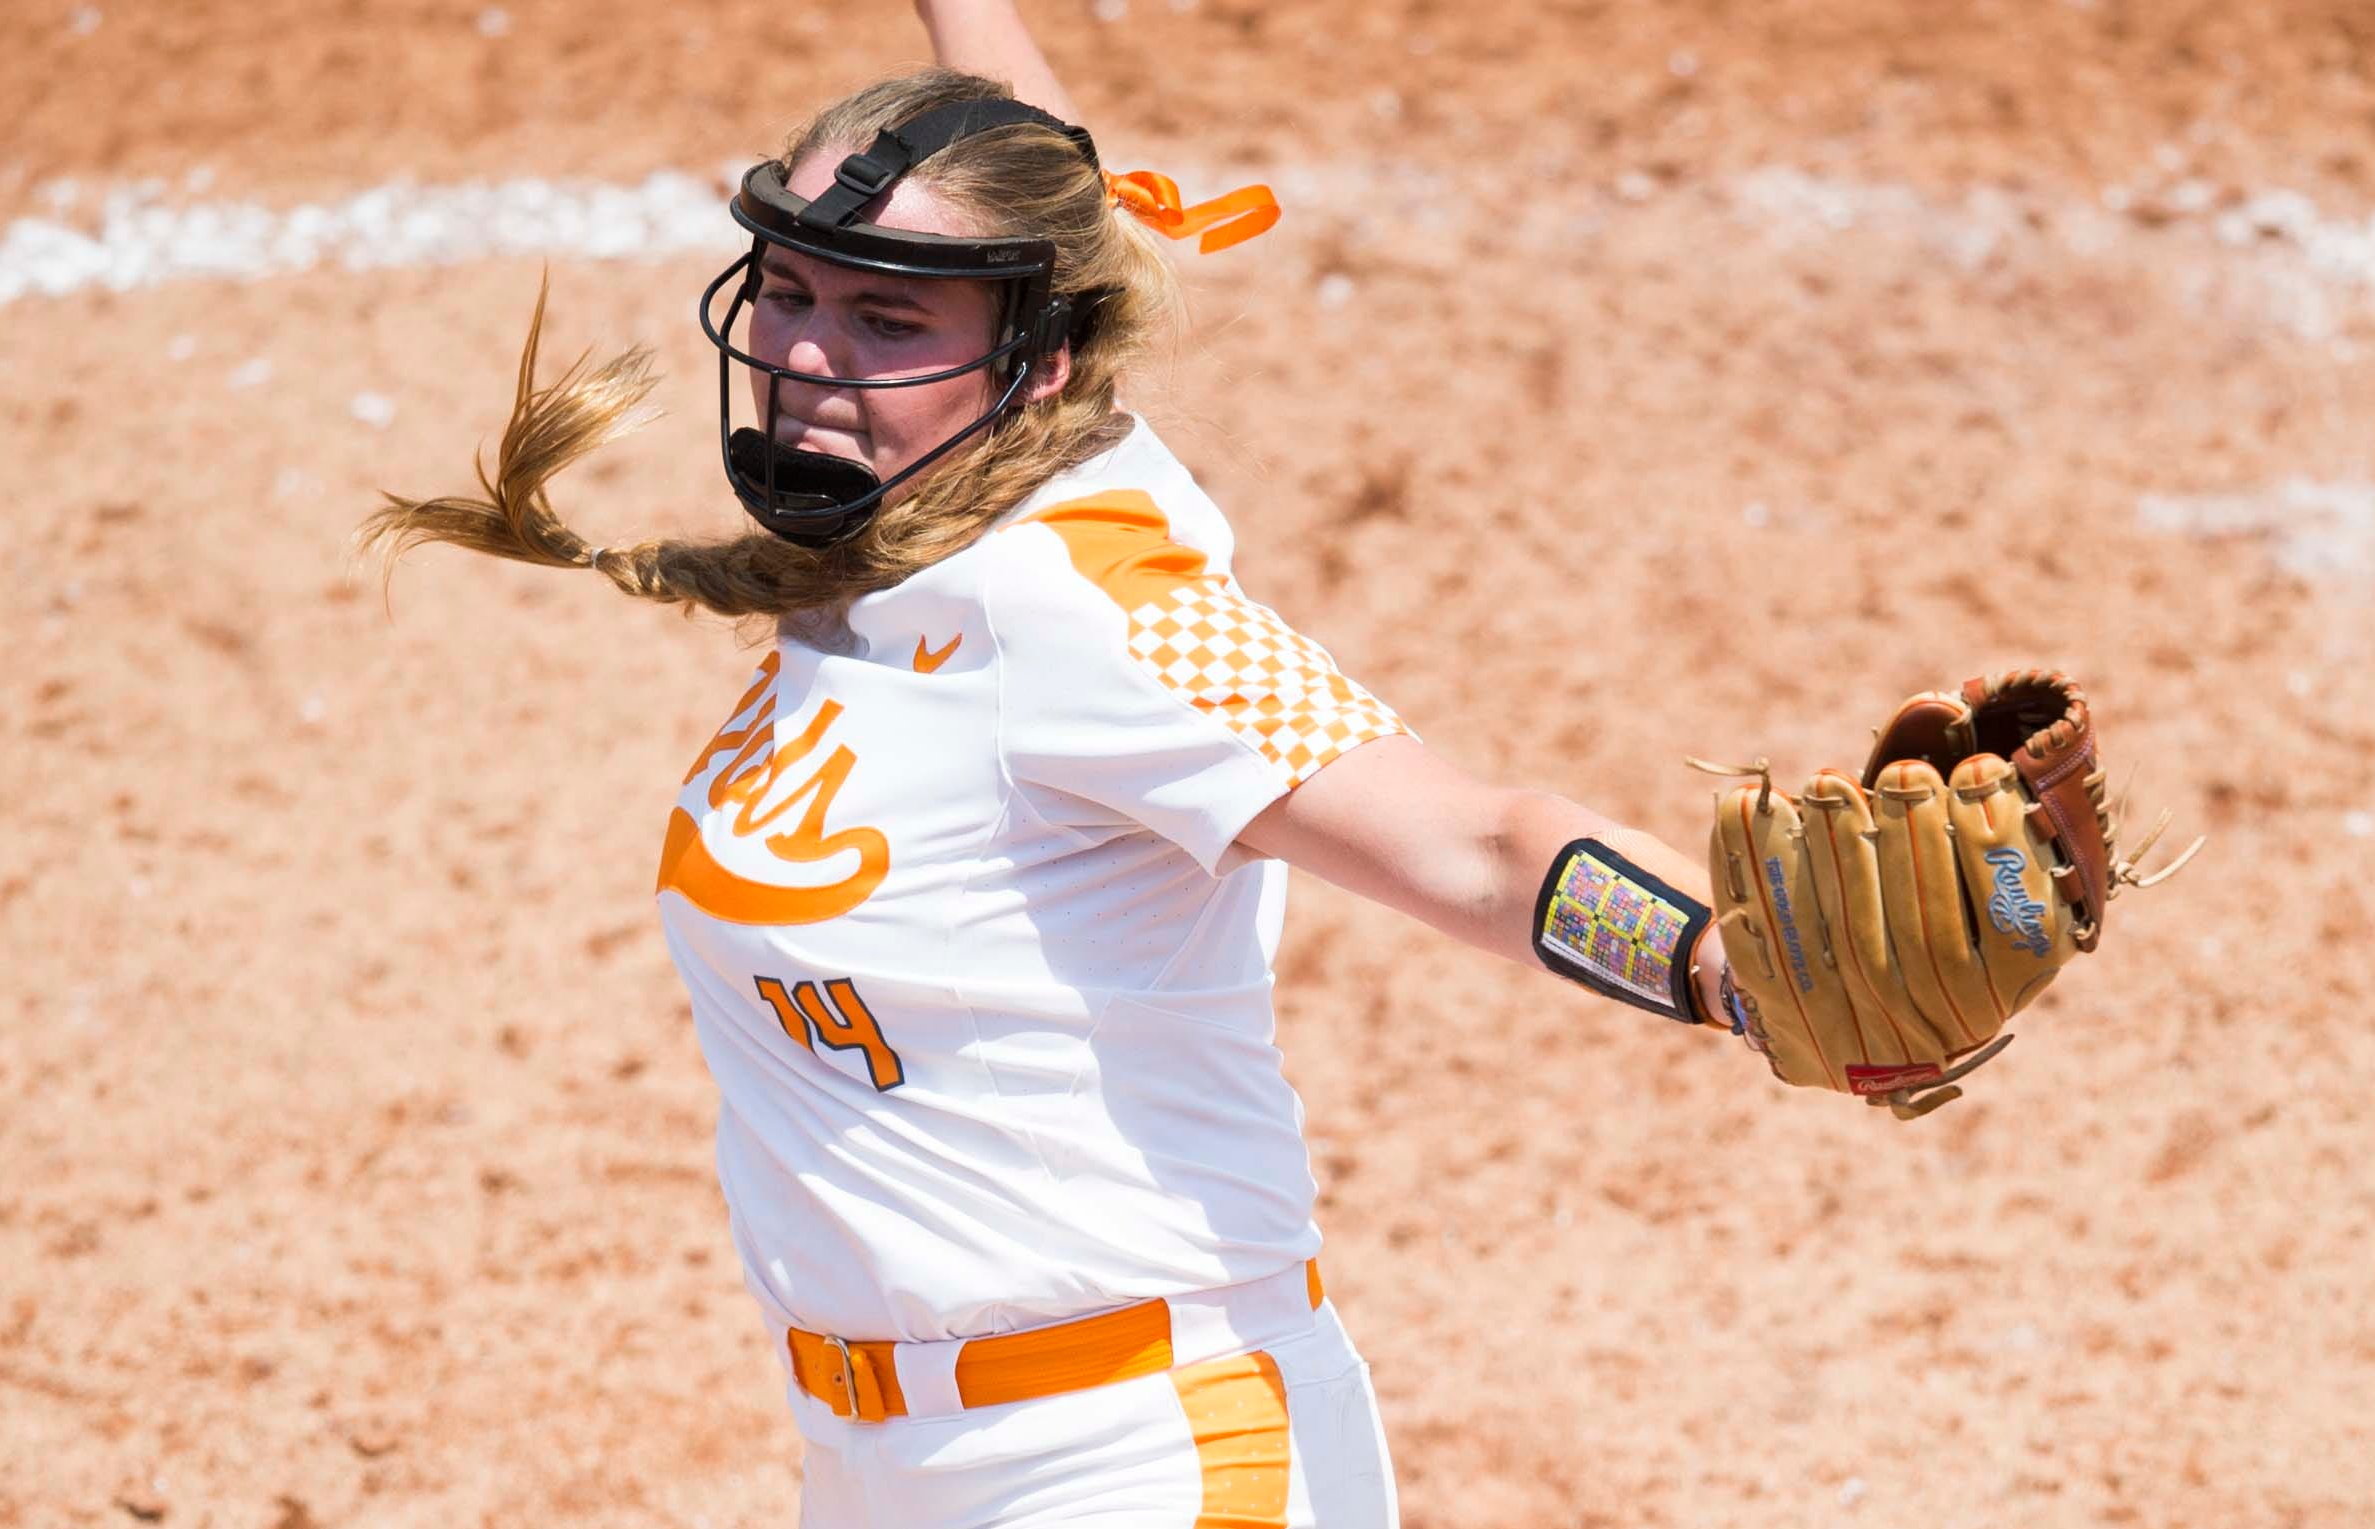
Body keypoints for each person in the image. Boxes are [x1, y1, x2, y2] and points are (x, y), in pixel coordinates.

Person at [359, 4, 1766, 1523]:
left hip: (1131, 1458)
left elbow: (1476, 847)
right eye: (790, 288)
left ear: (1038, 361)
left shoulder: (1099, 613)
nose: (809, 354)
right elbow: (1043, 182)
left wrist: (1738, 968)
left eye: (889, 320)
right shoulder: (909, 526)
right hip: (877, 1467)